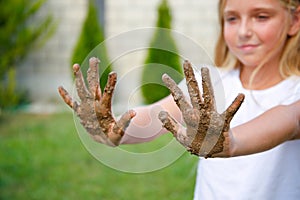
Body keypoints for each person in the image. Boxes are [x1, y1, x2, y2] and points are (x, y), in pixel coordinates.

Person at [58, 0, 300, 199]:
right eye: (232, 18)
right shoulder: (211, 83)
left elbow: (287, 119)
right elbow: (155, 116)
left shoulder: (295, 92)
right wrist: (114, 128)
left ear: (295, 20)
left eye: (261, 17)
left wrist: (231, 142)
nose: (244, 31)